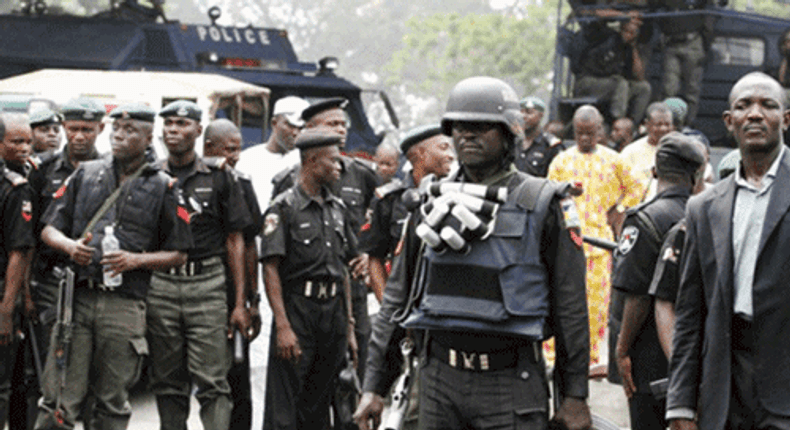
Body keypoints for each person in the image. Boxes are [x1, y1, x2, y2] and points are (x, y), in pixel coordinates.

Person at [354, 76, 592, 430]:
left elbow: (571, 306)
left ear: (509, 133)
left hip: (509, 382)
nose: (467, 136)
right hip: (438, 381)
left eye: (482, 128)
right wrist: (375, 384)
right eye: (460, 128)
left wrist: (575, 395)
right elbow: (397, 299)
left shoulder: (542, 203)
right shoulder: (430, 201)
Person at [32, 103, 192, 430]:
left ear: (149, 137)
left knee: (112, 402)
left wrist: (137, 260)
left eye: (130, 130)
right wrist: (69, 245)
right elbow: (48, 228)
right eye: (117, 129)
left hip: (125, 304)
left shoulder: (164, 186)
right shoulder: (87, 173)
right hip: (78, 299)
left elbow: (179, 253)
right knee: (59, 399)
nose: (120, 136)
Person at [667, 71, 790, 430]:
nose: (754, 114)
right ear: (729, 120)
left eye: (767, 105)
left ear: (785, 118)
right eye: (743, 106)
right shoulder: (705, 208)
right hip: (726, 388)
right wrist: (680, 404)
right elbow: (690, 314)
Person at [146, 100, 252, 430]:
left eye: (181, 124)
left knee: (213, 383)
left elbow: (236, 240)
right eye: (168, 124)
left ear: (197, 130)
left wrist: (239, 302)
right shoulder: (151, 176)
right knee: (167, 383)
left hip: (208, 284)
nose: (173, 130)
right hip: (161, 285)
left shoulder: (221, 176)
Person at [270, 97, 376, 386]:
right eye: (332, 124)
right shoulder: (289, 182)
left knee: (351, 378)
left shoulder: (362, 173)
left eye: (343, 124)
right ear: (311, 130)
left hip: (348, 292)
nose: (341, 130)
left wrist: (368, 254)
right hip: (303, 298)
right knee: (303, 384)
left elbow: (375, 226)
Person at [261, 129, 359, 430]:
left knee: (319, 404)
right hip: (298, 311)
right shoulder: (284, 207)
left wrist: (350, 326)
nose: (339, 168)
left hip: (332, 314)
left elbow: (344, 269)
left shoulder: (337, 209)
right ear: (313, 161)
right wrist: (283, 326)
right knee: (284, 407)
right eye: (333, 161)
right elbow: (270, 268)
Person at [609, 133, 705, 430]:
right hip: (689, 350)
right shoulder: (703, 215)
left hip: (647, 354)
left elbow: (636, 294)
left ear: (654, 171)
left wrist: (622, 349)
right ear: (696, 175)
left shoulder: (644, 219)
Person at [27, 98, 106, 413]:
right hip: (49, 281)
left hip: (93, 285)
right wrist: (26, 292)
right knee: (47, 367)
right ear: (64, 128)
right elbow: (27, 234)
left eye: (87, 129)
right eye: (73, 129)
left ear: (99, 129)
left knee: (91, 373)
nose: (79, 136)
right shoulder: (42, 170)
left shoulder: (112, 169)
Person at [548, 105, 642, 364]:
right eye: (580, 134)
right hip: (567, 242)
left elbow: (637, 186)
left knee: (597, 304)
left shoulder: (615, 160)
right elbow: (549, 196)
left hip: (600, 244)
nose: (585, 139)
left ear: (600, 131)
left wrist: (620, 209)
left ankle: (589, 356)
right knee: (564, 299)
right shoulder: (561, 161)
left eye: (590, 133)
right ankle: (556, 355)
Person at [235, 95, 307, 430]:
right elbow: (242, 231)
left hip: (295, 269)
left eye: (300, 126)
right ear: (275, 122)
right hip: (259, 264)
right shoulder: (248, 162)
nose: (295, 131)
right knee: (259, 363)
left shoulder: (306, 160)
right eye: (290, 124)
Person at [203, 119, 263, 430]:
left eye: (238, 150)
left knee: (236, 376)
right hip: (199, 288)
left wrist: (251, 299)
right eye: (230, 150)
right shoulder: (193, 180)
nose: (235, 156)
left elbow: (250, 242)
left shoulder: (242, 182)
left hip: (232, 292)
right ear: (208, 148)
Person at [361, 124, 454, 303]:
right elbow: (375, 259)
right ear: (420, 154)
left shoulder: (453, 194)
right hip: (407, 305)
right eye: (443, 148)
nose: (450, 155)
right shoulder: (389, 199)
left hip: (445, 305)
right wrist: (389, 310)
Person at [0, 114, 36, 430]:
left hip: (3, 293)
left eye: (28, 142)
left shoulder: (15, 188)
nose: (25, 148)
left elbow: (19, 252)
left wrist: (7, 308)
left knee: (6, 384)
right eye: (17, 141)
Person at [574, 16, 652, 125]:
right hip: (588, 82)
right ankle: (617, 123)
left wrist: (633, 48)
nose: (629, 35)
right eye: (627, 31)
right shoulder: (608, 39)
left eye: (633, 33)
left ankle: (631, 125)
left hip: (612, 86)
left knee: (644, 88)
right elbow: (604, 68)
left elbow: (639, 76)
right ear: (621, 29)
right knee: (621, 83)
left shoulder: (628, 48)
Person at [657, 0, 711, 124]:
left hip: (693, 42)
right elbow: (654, 6)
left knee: (692, 89)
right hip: (671, 43)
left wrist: (706, 43)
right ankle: (667, 123)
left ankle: (688, 124)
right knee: (669, 89)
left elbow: (715, 7)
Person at [620, 102, 675, 201]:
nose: (663, 129)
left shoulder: (679, 150)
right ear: (647, 125)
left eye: (667, 124)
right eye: (658, 124)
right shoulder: (630, 152)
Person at [514, 96, 564, 177]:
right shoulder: (513, 142)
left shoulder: (550, 145)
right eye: (521, 112)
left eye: (529, 112)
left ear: (540, 115)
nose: (523, 116)